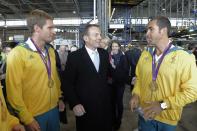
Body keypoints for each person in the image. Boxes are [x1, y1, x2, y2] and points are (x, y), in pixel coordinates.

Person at [130, 16, 197, 131]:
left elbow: (192, 92)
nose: (147, 33)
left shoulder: (184, 57)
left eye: (151, 29)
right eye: (147, 30)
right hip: (145, 114)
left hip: (167, 119)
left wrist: (162, 105)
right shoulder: (145, 55)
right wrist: (136, 94)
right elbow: (139, 79)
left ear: (163, 31)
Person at [6, 9, 62, 131]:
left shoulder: (50, 51)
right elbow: (13, 92)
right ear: (37, 28)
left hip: (53, 109)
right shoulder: (17, 54)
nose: (54, 32)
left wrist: (59, 97)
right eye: (50, 28)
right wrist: (27, 118)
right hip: (34, 115)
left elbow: (54, 77)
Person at [63, 24, 113, 131]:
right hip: (85, 108)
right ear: (86, 38)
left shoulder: (104, 54)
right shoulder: (74, 57)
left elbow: (112, 73)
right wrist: (74, 103)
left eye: (100, 34)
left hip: (104, 106)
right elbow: (67, 83)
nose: (100, 37)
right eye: (96, 35)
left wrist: (131, 79)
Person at [109, 40, 128, 130]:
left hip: (120, 83)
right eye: (113, 46)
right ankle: (112, 120)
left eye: (116, 46)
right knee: (112, 103)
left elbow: (124, 71)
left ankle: (118, 121)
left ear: (119, 47)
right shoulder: (109, 56)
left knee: (119, 102)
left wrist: (114, 67)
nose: (114, 48)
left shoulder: (123, 57)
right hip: (111, 83)